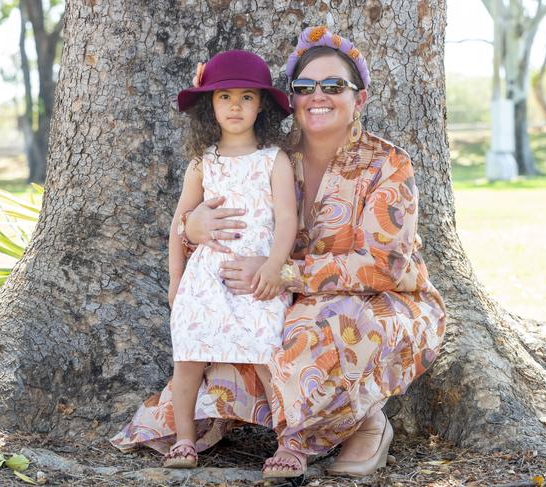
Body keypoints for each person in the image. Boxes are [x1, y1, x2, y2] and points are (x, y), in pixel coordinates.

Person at [111, 27, 446, 480]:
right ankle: (210, 429)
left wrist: (284, 272)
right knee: (231, 349)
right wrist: (192, 226)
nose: (318, 97)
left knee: (315, 334)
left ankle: (365, 423)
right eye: (305, 88)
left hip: (380, 302)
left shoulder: (386, 164)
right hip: (276, 294)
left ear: (359, 100)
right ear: (292, 99)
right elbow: (218, 223)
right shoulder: (269, 156)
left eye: (334, 87)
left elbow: (384, 266)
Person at [156, 49, 296, 468]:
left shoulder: (275, 159)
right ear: (209, 106)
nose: (235, 106)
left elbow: (288, 218)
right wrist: (176, 282)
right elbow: (179, 226)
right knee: (189, 358)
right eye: (224, 97)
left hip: (257, 277)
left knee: (270, 356)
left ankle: (288, 442)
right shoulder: (203, 163)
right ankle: (184, 440)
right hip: (206, 277)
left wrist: (274, 266)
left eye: (247, 97)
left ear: (262, 105)